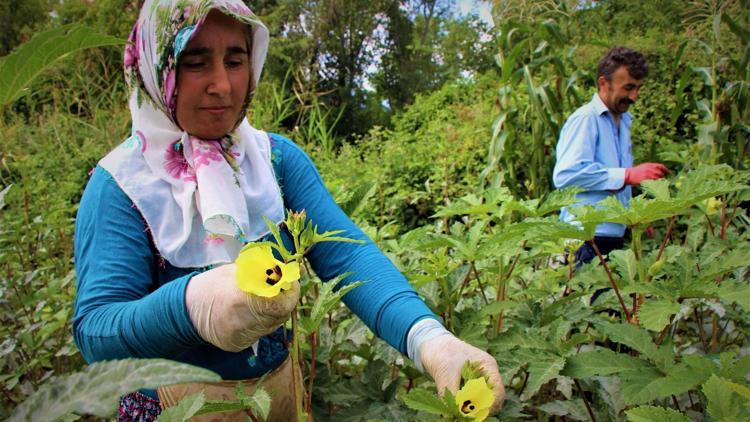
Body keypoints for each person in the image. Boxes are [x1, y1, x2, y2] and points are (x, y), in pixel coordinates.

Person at [72, 1, 504, 420]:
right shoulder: (122, 185)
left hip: (279, 398)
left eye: (236, 60)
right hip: (173, 409)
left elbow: (347, 254)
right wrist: (188, 308)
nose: (222, 84)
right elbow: (97, 332)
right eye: (196, 62)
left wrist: (431, 340)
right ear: (155, 65)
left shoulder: (273, 161)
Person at [553, 46, 668, 265]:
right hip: (585, 239)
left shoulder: (624, 122)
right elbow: (566, 175)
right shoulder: (586, 119)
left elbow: (615, 182)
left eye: (638, 88)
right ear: (604, 83)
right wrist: (628, 175)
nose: (634, 96)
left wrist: (636, 213)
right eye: (628, 88)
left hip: (612, 236)